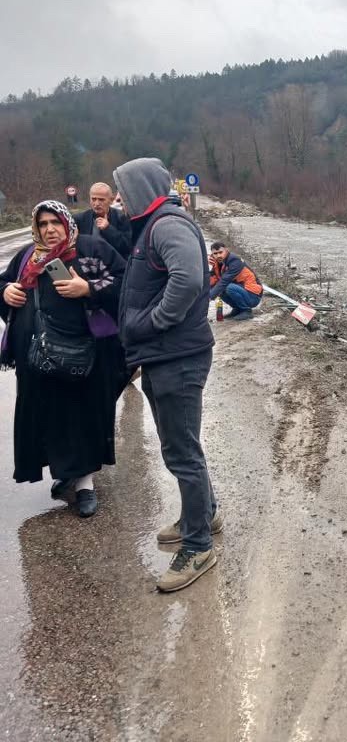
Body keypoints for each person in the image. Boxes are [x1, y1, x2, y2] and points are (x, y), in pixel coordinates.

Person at [113, 157, 220, 592]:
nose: (118, 201)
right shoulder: (156, 224)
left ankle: (198, 547)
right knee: (182, 447)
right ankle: (204, 514)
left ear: (140, 188)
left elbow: (189, 278)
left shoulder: (166, 224)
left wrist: (154, 321)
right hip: (166, 356)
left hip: (177, 356)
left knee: (182, 453)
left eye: (122, 192)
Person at [0, 201, 126, 517]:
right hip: (37, 357)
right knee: (50, 417)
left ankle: (85, 485)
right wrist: (5, 292)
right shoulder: (29, 257)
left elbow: (126, 284)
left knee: (80, 416)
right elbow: (2, 282)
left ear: (67, 222)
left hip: (83, 356)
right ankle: (65, 470)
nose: (49, 229)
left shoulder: (90, 249)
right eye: (43, 224)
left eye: (55, 222)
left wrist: (89, 288)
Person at [74, 182, 132, 258]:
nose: (97, 203)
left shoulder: (122, 218)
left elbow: (127, 247)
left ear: (111, 200)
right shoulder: (80, 219)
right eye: (93, 199)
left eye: (101, 200)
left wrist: (108, 229)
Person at [209, 242, 263, 320]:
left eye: (221, 252)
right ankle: (237, 309)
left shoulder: (234, 261)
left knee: (227, 287)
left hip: (253, 296)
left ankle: (246, 311)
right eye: (215, 253)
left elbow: (224, 281)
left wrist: (210, 297)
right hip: (241, 290)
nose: (218, 255)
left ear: (226, 250)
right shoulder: (217, 263)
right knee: (217, 288)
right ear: (212, 254)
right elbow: (212, 279)